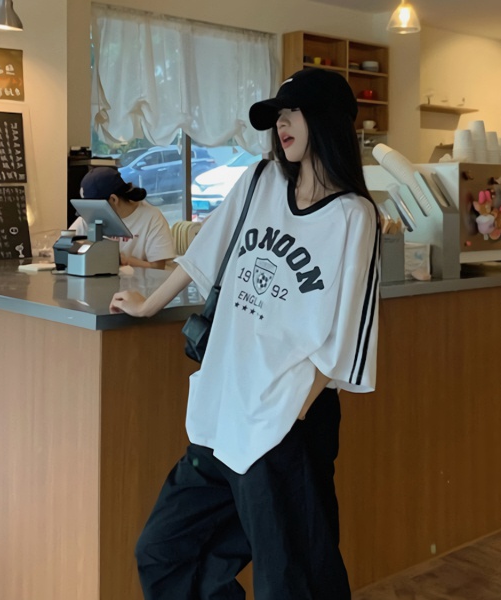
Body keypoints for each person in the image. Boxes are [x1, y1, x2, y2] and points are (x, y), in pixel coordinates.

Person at [109, 68, 380, 599]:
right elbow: (204, 253)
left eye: (293, 112)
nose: (281, 124)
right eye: (277, 116)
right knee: (165, 553)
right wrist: (149, 305)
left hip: (281, 421)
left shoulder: (354, 216)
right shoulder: (261, 181)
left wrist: (290, 414)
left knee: (291, 579)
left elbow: (348, 334)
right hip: (221, 412)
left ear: (326, 120)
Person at [70, 167, 175, 269]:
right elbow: (67, 246)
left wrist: (124, 260)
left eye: (95, 207)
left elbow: (158, 267)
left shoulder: (151, 218)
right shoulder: (91, 217)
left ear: (113, 200)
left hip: (141, 280)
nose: (91, 212)